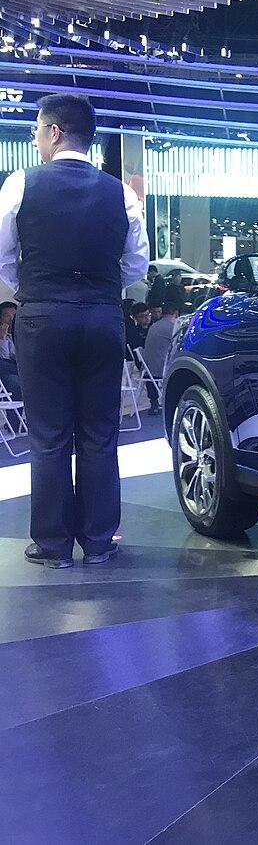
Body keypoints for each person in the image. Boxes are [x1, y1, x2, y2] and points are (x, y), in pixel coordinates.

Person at [0, 93, 149, 568]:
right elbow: (136, 264)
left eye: (36, 131)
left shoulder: (20, 184)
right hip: (103, 317)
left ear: (54, 132)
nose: (35, 140)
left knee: (48, 435)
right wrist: (100, 288)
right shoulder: (121, 193)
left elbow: (2, 255)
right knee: (100, 433)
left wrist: (35, 285)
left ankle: (53, 546)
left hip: (42, 318)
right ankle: (99, 542)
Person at [142, 302, 178, 416]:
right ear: (176, 314)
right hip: (161, 369)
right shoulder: (172, 327)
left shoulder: (154, 326)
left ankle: (154, 403)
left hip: (147, 369)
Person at [0, 300, 20, 432]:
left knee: (15, 380)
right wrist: (2, 338)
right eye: (8, 316)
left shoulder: (16, 335)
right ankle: (14, 424)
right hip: (4, 372)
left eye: (14, 316)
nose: (11, 319)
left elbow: (15, 357)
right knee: (14, 380)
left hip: (11, 372)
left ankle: (16, 424)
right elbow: (4, 357)